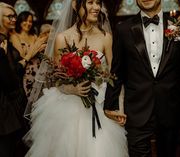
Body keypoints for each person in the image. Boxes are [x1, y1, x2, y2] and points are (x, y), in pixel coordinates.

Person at [104, 0, 180, 157]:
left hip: (170, 111)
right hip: (136, 110)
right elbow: (117, 71)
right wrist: (110, 105)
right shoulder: (123, 29)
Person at [24, 0, 128, 157]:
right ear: (75, 5)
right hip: (68, 108)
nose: (96, 7)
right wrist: (71, 88)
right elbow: (57, 80)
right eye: (90, 2)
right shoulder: (62, 38)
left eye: (98, 3)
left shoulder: (106, 37)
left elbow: (114, 77)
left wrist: (116, 108)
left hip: (99, 105)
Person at [0, 2, 29, 157]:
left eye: (14, 16)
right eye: (9, 16)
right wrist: (26, 60)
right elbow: (8, 77)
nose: (13, 19)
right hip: (5, 107)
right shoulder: (1, 43)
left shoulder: (6, 41)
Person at [10, 11, 47, 98]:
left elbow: (40, 51)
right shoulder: (15, 36)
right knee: (30, 97)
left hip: (39, 69)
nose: (28, 23)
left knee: (41, 96)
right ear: (20, 21)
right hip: (26, 72)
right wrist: (36, 48)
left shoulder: (33, 35)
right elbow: (22, 55)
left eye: (30, 21)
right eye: (25, 21)